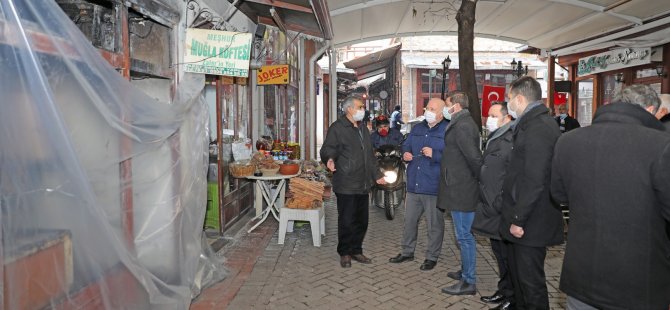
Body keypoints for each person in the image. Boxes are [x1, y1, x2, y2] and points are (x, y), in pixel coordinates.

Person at [551, 84, 670, 310]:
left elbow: (558, 195)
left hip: (582, 275)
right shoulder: (661, 145)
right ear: (651, 109)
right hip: (638, 282)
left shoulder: (568, 141)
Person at [500, 76, 564, 309]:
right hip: (524, 217)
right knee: (519, 279)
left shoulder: (539, 127)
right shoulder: (530, 124)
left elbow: (535, 179)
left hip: (531, 221)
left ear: (519, 98)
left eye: (509, 99)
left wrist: (519, 219)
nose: (509, 105)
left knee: (530, 283)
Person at [320, 95, 386, 268]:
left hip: (363, 183)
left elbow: (370, 156)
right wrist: (329, 159)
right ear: (349, 109)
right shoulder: (338, 128)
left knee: (362, 220)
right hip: (346, 182)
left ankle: (357, 250)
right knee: (347, 220)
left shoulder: (363, 128)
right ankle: (345, 252)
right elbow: (327, 148)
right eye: (359, 106)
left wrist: (377, 175)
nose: (362, 110)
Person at [388, 98, 448, 271]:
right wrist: (405, 153)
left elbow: (454, 158)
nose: (427, 110)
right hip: (414, 183)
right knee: (409, 221)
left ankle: (432, 256)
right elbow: (405, 145)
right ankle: (407, 252)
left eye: (432, 108)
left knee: (434, 225)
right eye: (427, 107)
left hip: (433, 186)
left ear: (442, 112)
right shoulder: (418, 128)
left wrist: (435, 154)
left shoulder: (448, 130)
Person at [438, 91, 482, 296]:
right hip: (458, 186)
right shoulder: (461, 122)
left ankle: (469, 281)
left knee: (464, 236)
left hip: (462, 188)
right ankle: (465, 271)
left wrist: (475, 181)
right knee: (462, 235)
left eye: (447, 105)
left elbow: (474, 158)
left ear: (455, 106)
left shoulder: (463, 125)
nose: (445, 109)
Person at [472, 102, 515, 309]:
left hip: (501, 208)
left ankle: (512, 298)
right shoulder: (495, 137)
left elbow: (512, 178)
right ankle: (504, 290)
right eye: (487, 115)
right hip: (490, 207)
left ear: (507, 118)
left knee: (508, 257)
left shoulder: (510, 140)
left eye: (493, 115)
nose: (488, 119)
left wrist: (498, 201)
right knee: (499, 253)